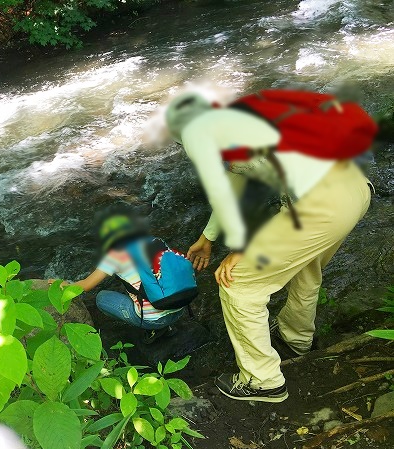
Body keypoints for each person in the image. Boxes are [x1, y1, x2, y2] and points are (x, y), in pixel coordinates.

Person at [165, 91, 372, 403]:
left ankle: (262, 380)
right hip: (354, 190)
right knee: (305, 270)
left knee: (238, 284)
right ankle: (296, 342)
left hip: (319, 206)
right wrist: (208, 238)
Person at [54, 214, 195, 344]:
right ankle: (167, 325)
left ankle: (155, 329)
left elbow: (86, 285)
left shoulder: (115, 255)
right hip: (178, 307)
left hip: (153, 320)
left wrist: (64, 284)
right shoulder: (156, 242)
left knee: (101, 298)